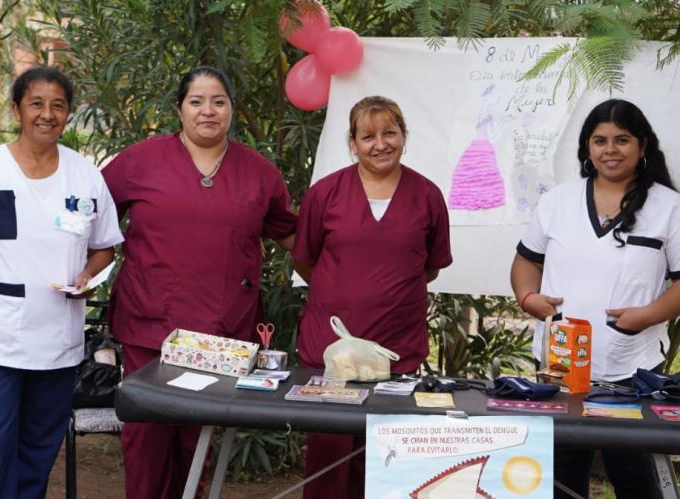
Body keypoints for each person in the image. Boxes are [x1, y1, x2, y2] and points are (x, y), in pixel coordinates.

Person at [102, 65, 297, 499]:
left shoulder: (259, 172)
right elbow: (94, 221)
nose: (207, 111)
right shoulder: (139, 161)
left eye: (218, 101)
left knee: (198, 441)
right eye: (196, 101)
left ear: (231, 110)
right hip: (150, 323)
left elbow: (290, 234)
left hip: (220, 332)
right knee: (147, 438)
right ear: (179, 110)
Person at [0, 66, 123, 499]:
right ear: (17, 109)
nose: (47, 114)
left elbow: (106, 246)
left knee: (39, 452)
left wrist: (89, 275)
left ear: (68, 114)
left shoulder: (85, 176)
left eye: (58, 105)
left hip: (57, 344)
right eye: (36, 103)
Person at [510, 98, 680, 498]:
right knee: (559, 480)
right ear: (587, 147)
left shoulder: (669, 207)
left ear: (642, 146)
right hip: (558, 369)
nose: (610, 150)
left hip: (631, 372)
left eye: (622, 140)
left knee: (636, 478)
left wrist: (648, 315)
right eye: (600, 140)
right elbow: (525, 262)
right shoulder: (558, 202)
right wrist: (527, 297)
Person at [292, 95, 453, 499]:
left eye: (389, 133)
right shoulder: (325, 194)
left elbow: (429, 266)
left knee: (387, 454)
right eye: (368, 136)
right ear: (352, 142)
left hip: (396, 347)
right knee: (329, 454)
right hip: (331, 352)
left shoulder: (428, 196)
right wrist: (344, 293)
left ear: (404, 137)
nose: (380, 143)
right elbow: (305, 260)